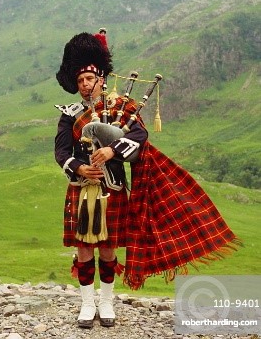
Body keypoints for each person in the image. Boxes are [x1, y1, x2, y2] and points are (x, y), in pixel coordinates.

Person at [54, 31, 242, 329]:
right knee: (84, 248)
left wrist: (110, 148)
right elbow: (61, 151)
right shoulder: (70, 115)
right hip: (82, 189)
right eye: (80, 81)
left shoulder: (121, 108)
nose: (85, 85)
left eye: (90, 79)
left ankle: (106, 302)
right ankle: (87, 305)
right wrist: (79, 168)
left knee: (107, 248)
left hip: (112, 188)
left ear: (101, 78)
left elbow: (140, 136)